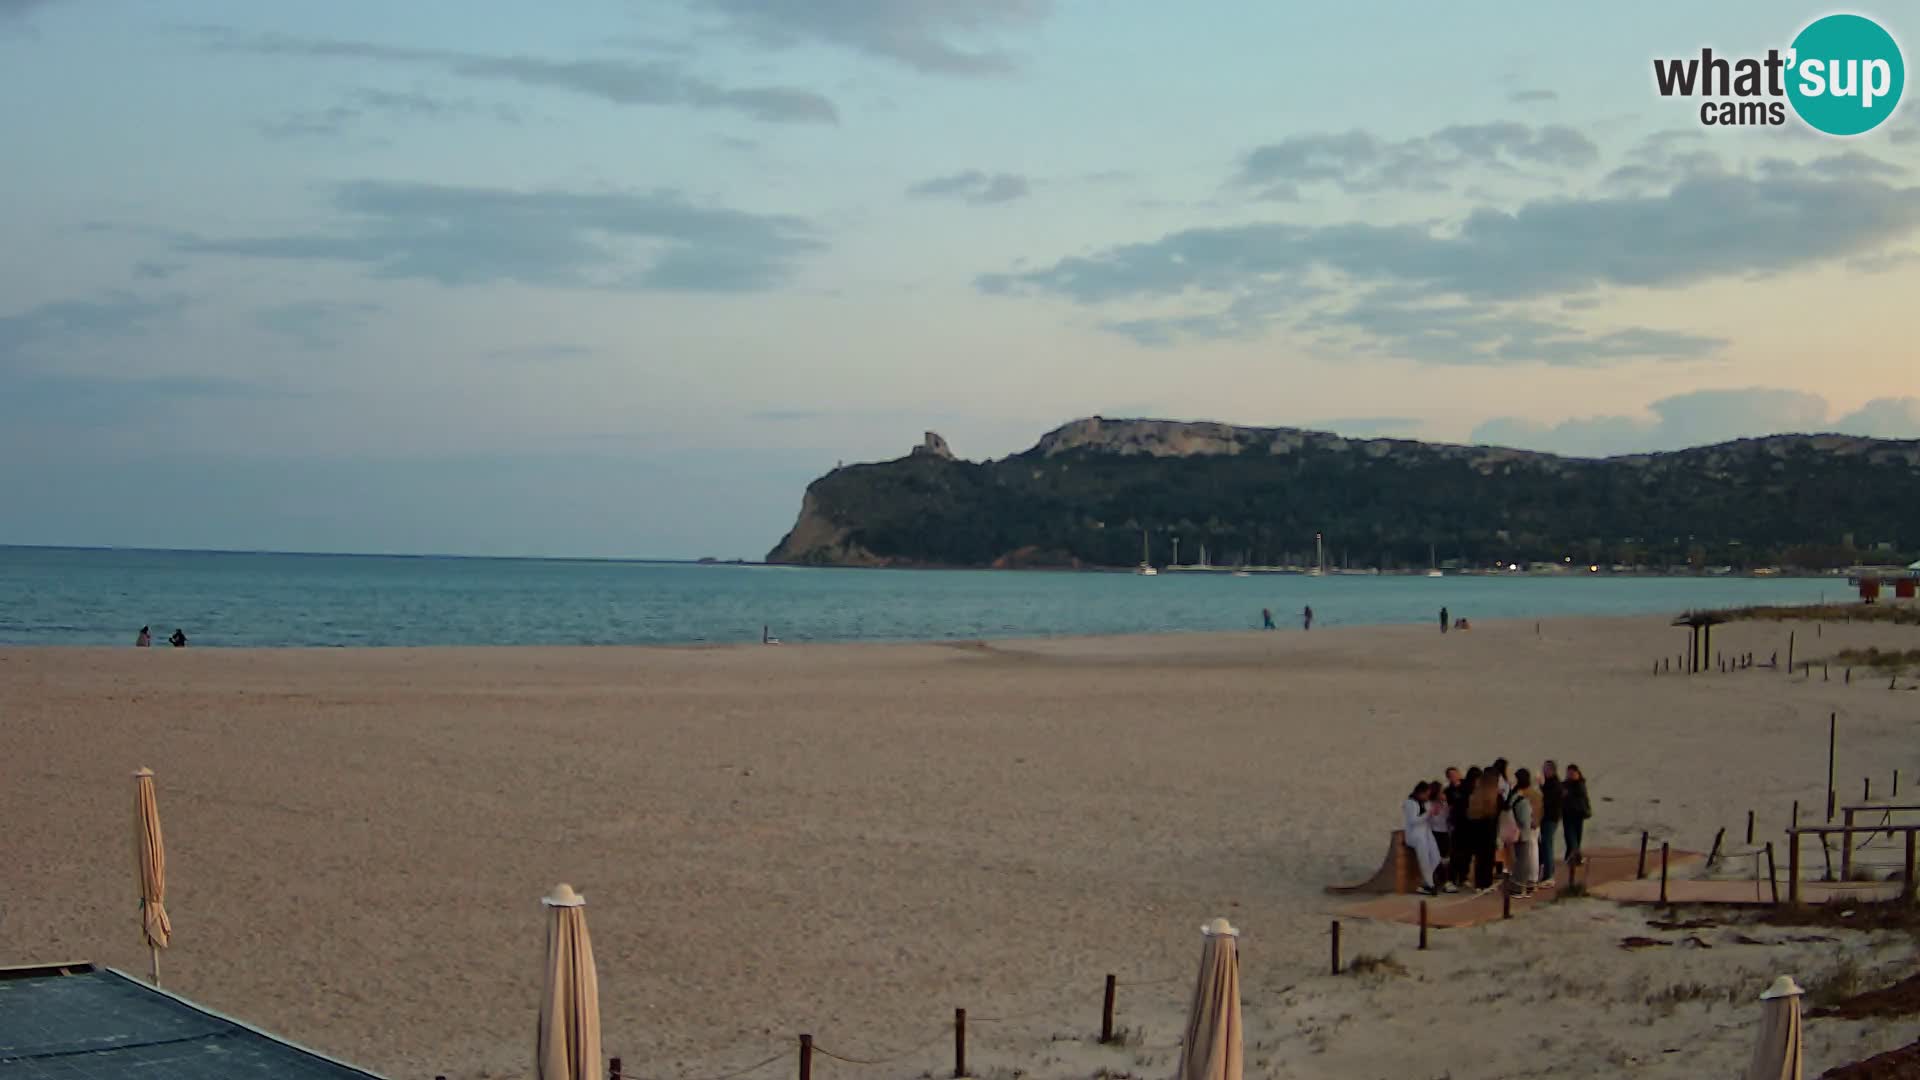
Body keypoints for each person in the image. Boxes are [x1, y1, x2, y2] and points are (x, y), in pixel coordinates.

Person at [1402, 781, 1445, 896]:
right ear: (1420, 792)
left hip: (1426, 833)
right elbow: (1413, 821)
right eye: (1426, 794)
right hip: (1415, 835)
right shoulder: (1410, 803)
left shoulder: (1426, 803)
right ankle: (1430, 884)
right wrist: (1428, 814)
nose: (1427, 797)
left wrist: (1434, 813)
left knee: (1435, 857)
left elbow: (1428, 819)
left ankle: (1427, 882)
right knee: (1424, 858)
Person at [1466, 768, 1502, 890]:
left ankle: (1479, 884)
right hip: (1489, 828)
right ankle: (1487, 883)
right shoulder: (1493, 796)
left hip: (1476, 828)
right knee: (1488, 857)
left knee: (1480, 857)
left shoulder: (1475, 795)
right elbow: (1500, 810)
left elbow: (1470, 814)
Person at [1507, 768, 1538, 897]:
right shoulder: (1523, 800)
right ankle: (1518, 889)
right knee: (1523, 861)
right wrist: (1531, 823)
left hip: (1513, 832)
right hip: (1523, 834)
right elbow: (1525, 820)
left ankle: (1516, 886)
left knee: (1519, 859)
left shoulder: (1512, 796)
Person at [1447, 766, 1476, 886]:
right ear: (1448, 778)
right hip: (1456, 825)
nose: (1454, 776)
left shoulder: (1468, 786)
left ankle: (1464, 876)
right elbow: (1449, 807)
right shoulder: (1448, 791)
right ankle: (1453, 877)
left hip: (1468, 824)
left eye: (1456, 773)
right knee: (1455, 852)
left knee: (1467, 852)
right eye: (1451, 775)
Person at [1539, 760, 1564, 887]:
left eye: (1546, 769)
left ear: (1552, 771)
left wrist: (1540, 788)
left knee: (1547, 845)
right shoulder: (1550, 783)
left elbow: (1548, 800)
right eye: (1544, 768)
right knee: (1545, 844)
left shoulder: (1555, 784)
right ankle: (1547, 873)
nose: (1544, 771)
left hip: (1550, 818)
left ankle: (1549, 876)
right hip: (1547, 818)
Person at [1561, 764, 1592, 867]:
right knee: (1569, 836)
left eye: (1572, 773)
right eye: (1568, 773)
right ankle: (1572, 856)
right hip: (1567, 813)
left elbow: (1582, 795)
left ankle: (1574, 856)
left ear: (1577, 773)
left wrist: (1568, 793)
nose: (1570, 775)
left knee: (1576, 836)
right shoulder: (1565, 784)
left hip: (1578, 813)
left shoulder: (1580, 784)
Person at [1426, 778, 1453, 878]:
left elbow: (1448, 816)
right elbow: (1432, 818)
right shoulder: (1429, 804)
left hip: (1444, 831)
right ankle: (1437, 876)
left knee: (1445, 856)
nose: (1443, 793)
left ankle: (1444, 877)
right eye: (1441, 791)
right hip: (1435, 832)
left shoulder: (1444, 804)